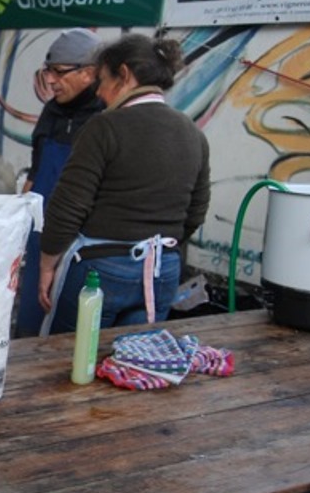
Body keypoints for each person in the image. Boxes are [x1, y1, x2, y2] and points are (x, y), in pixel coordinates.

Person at [37, 34, 211, 335]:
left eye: (103, 80)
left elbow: (67, 207)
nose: (101, 93)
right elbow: (196, 210)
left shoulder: (104, 127)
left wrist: (47, 264)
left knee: (68, 360)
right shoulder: (192, 133)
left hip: (101, 271)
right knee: (133, 365)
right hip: (162, 271)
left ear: (125, 75)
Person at [15, 28, 105, 338]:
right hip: (41, 235)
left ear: (89, 73)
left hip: (83, 240)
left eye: (59, 72)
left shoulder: (106, 119)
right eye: (47, 70)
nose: (50, 80)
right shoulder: (51, 112)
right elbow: (36, 173)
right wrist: (15, 226)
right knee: (29, 324)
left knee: (70, 331)